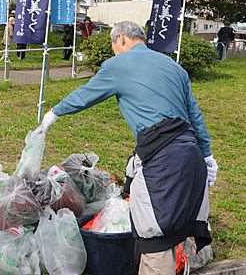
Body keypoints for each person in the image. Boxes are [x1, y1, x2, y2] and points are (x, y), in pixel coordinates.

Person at [32, 21, 217, 275]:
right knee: (177, 228)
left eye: (113, 45)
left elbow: (86, 94)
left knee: (155, 235)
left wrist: (53, 114)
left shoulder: (118, 64)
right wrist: (207, 155)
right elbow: (194, 116)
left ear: (121, 39)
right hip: (191, 156)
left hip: (163, 162)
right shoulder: (173, 67)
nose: (113, 51)